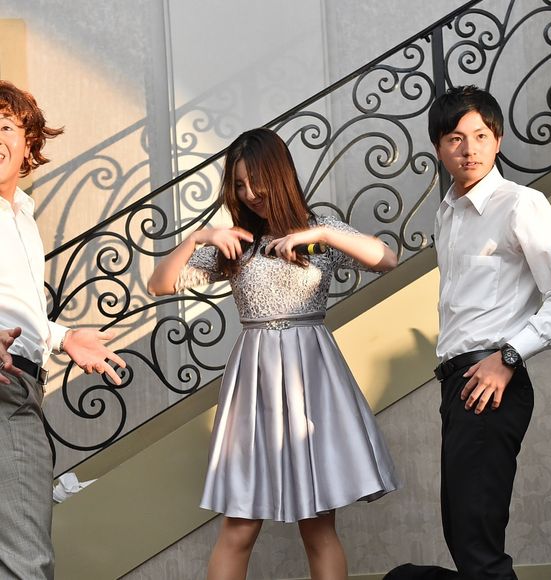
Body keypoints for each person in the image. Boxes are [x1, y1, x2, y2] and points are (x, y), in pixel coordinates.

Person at [148, 127, 399, 580]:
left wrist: (320, 232)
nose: (250, 193)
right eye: (239, 184)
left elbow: (386, 258)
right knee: (238, 528)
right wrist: (199, 238)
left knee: (318, 527)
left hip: (313, 381)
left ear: (279, 173)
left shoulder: (319, 233)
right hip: (256, 383)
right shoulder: (238, 241)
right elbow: (159, 284)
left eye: (256, 180)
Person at [384, 85, 551, 579]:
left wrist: (509, 357)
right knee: (464, 536)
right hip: (457, 385)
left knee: (476, 546)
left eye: (480, 136)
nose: (468, 149)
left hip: (493, 381)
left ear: (498, 140)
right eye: (455, 138)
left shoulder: (520, 204)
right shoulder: (447, 214)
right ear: (438, 147)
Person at [0, 80, 126, 579]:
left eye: (5, 126)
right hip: (6, 391)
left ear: (29, 140)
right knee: (25, 563)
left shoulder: (22, 214)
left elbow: (16, 305)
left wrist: (62, 337)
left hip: (23, 381)